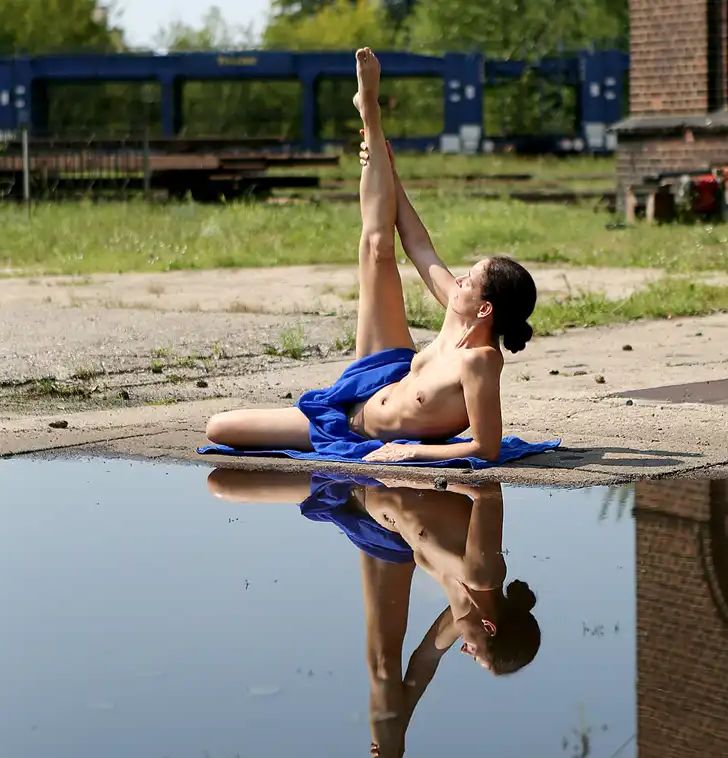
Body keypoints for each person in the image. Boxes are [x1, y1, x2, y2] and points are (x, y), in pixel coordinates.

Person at [205, 47, 539, 464]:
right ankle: (370, 114)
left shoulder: (481, 364)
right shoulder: (456, 306)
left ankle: (371, 125)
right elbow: (417, 244)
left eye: (470, 280)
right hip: (377, 376)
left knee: (219, 427)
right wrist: (384, 161)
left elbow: (486, 448)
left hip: (349, 426)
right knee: (378, 247)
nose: (460, 280)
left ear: (485, 307)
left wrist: (413, 454)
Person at [206, 468, 542, 758]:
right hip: (371, 487)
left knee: (385, 665)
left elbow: (423, 662)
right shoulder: (483, 574)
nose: (466, 653)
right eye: (478, 654)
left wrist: (397, 736)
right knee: (223, 483)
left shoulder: (461, 617)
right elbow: (489, 490)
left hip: (380, 531)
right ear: (490, 627)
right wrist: (411, 474)